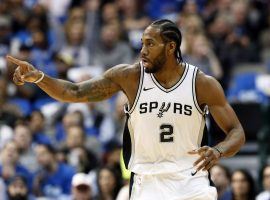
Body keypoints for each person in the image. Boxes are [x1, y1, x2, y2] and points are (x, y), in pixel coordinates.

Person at [6, 19, 245, 199]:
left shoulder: (202, 83)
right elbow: (74, 92)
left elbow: (236, 131)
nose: (142, 51)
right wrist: (39, 77)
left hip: (192, 181)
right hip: (147, 182)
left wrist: (219, 151)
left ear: (171, 47)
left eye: (150, 44)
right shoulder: (129, 76)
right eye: (142, 43)